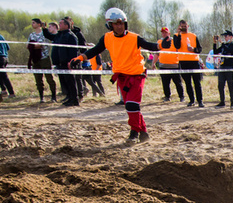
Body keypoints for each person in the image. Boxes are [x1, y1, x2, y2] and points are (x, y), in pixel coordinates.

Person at [74, 8, 162, 143]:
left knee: (131, 105)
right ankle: (143, 130)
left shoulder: (134, 37)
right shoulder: (106, 38)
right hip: (121, 76)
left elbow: (150, 46)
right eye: (116, 24)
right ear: (110, 25)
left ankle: (133, 133)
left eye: (121, 23)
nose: (120, 26)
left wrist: (162, 44)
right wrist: (80, 58)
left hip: (137, 75)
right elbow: (95, 50)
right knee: (131, 106)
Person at [45, 18, 80, 106]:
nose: (59, 25)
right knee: (64, 83)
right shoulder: (59, 35)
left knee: (70, 82)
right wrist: (44, 29)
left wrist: (71, 62)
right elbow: (49, 36)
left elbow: (73, 51)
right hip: (59, 63)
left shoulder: (71, 36)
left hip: (67, 64)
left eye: (61, 23)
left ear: (66, 25)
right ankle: (69, 98)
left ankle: (74, 100)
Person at [174, 20, 204, 107]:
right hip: (183, 62)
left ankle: (200, 100)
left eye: (185, 26)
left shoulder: (193, 36)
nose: (183, 27)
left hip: (194, 62)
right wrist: (179, 34)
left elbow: (199, 49)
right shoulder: (176, 36)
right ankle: (191, 100)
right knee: (188, 82)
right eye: (181, 26)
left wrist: (193, 49)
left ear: (188, 26)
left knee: (197, 82)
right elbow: (177, 46)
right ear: (179, 27)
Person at [27, 18, 57, 103]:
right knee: (38, 79)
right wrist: (32, 45)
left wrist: (32, 45)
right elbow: (27, 45)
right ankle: (41, 97)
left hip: (44, 58)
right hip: (35, 59)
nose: (32, 24)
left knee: (49, 78)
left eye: (34, 23)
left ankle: (53, 96)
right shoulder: (31, 35)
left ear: (39, 24)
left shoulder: (44, 33)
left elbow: (41, 45)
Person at [156, 27, 183, 102]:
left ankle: (181, 96)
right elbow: (156, 54)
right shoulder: (159, 41)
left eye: (165, 32)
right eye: (163, 32)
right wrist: (153, 63)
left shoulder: (174, 41)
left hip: (174, 66)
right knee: (165, 83)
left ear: (169, 33)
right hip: (163, 66)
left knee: (178, 83)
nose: (164, 34)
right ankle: (167, 96)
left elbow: (179, 51)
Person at [212, 30, 233, 108]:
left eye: (226, 36)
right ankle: (222, 102)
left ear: (231, 37)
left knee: (230, 85)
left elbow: (229, 51)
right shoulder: (224, 45)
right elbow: (215, 51)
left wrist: (222, 43)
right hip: (222, 67)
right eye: (224, 37)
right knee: (220, 85)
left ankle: (232, 102)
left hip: (229, 67)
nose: (225, 38)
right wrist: (215, 43)